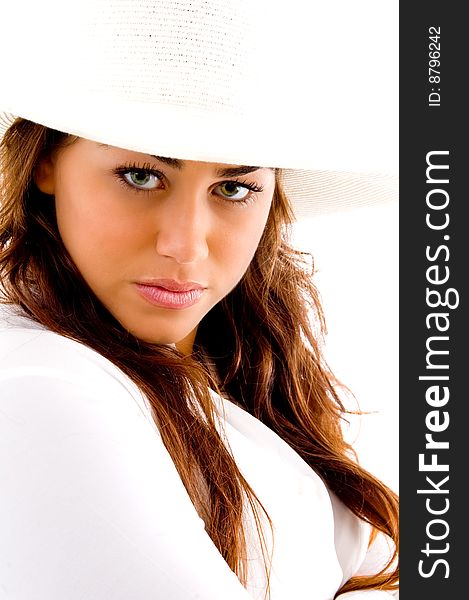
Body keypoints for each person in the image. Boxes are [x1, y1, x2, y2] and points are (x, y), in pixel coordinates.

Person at [0, 1, 399, 598]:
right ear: (48, 163)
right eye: (141, 175)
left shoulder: (244, 367)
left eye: (234, 188)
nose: (184, 245)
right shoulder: (38, 383)